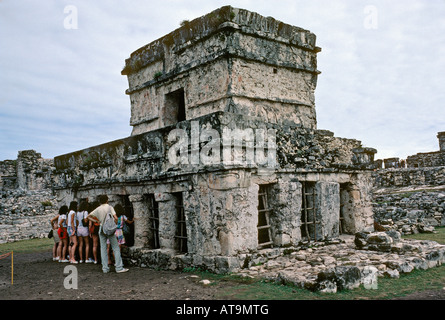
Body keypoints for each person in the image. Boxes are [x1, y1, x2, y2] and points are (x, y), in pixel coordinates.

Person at [86, 195, 128, 274]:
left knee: (103, 248)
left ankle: (105, 268)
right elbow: (115, 218)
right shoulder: (109, 207)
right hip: (109, 229)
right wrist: (114, 226)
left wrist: (98, 221)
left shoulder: (98, 208)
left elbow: (88, 216)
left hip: (101, 228)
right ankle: (119, 267)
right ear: (107, 200)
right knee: (115, 247)